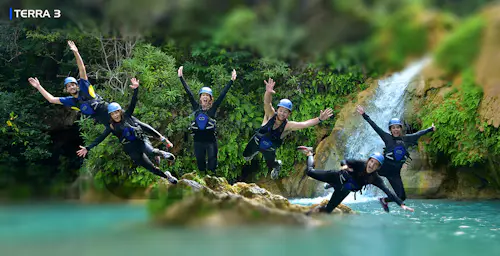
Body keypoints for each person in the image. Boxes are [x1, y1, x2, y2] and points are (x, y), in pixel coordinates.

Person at [76, 78, 178, 184]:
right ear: (110, 115)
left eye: (117, 112)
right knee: (151, 168)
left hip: (141, 141)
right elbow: (100, 138)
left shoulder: (127, 116)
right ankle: (167, 177)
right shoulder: (111, 127)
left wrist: (136, 89)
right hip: (131, 149)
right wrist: (88, 148)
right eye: (113, 114)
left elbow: (133, 103)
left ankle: (164, 154)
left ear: (120, 112)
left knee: (151, 152)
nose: (115, 115)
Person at [242, 78, 334, 180]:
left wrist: (320, 119)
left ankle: (277, 166)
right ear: (277, 109)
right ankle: (255, 151)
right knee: (245, 156)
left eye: (285, 112)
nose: (282, 113)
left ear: (289, 114)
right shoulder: (270, 114)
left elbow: (304, 124)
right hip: (257, 141)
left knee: (271, 164)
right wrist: (268, 92)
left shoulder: (288, 126)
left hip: (270, 149)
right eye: (281, 110)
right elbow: (267, 103)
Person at [356, 105, 435, 212]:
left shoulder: (407, 139)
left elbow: (419, 134)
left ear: (401, 128)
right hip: (383, 168)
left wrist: (430, 129)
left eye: (397, 127)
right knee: (364, 175)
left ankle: (384, 200)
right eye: (393, 128)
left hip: (394, 174)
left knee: (402, 197)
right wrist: (364, 115)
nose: (396, 129)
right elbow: (375, 127)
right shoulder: (387, 137)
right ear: (390, 130)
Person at [297, 146, 414, 214]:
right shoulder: (360, 164)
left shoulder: (376, 179)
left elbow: (388, 192)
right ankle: (310, 153)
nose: (372, 165)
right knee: (310, 172)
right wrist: (344, 166)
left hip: (344, 190)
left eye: (375, 164)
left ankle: (314, 215)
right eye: (371, 161)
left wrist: (401, 204)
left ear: (378, 167)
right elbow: (345, 161)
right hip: (337, 176)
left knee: (328, 210)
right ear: (368, 161)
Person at [28, 40, 109, 126]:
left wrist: (76, 53)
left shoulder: (84, 88)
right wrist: (38, 86)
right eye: (69, 86)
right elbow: (51, 99)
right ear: (66, 90)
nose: (71, 87)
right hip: (102, 119)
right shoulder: (71, 101)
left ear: (77, 86)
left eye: (73, 85)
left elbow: (82, 68)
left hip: (108, 109)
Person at [177, 66, 237, 175]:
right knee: (201, 166)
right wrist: (181, 77)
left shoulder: (212, 109)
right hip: (198, 141)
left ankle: (213, 180)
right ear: (200, 98)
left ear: (210, 98)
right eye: (203, 95)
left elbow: (222, 95)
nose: (205, 97)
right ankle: (202, 181)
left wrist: (231, 81)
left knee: (212, 165)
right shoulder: (196, 108)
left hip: (210, 141)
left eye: (207, 96)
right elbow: (189, 93)